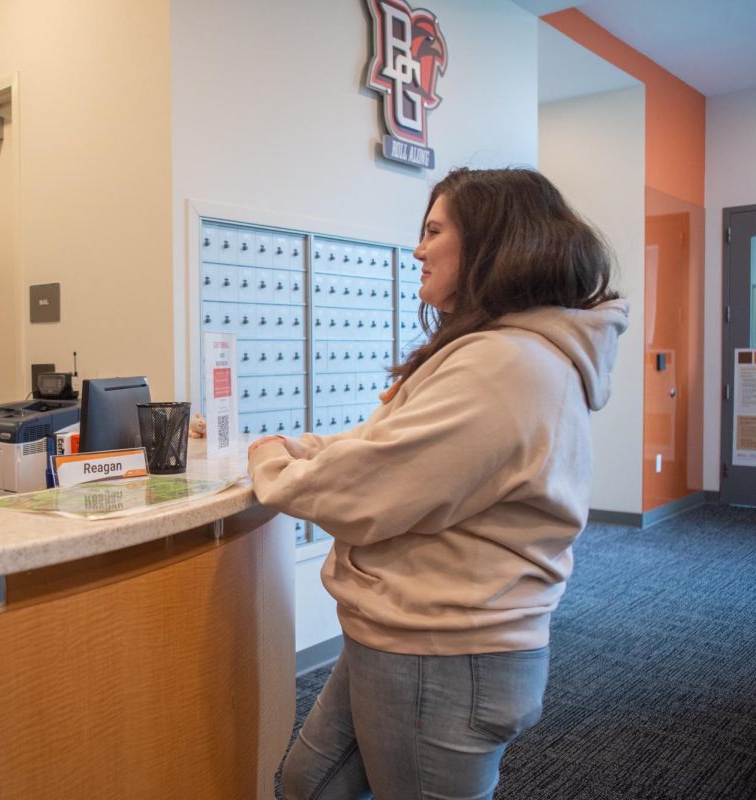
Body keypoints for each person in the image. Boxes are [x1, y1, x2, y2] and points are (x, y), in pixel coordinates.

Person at [247, 167, 629, 799]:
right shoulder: (497, 350)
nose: (418, 250)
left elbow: (365, 491)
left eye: (433, 230)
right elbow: (386, 445)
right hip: (405, 635)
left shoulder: (505, 365)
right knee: (307, 786)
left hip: (445, 656)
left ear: (491, 243)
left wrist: (268, 462)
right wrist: (297, 449)